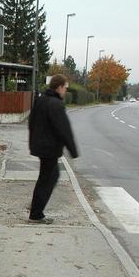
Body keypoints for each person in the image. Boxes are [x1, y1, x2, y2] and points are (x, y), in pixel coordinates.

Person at [28, 74, 79, 224]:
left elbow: (31, 122)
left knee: (49, 177)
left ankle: (36, 209)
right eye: (65, 88)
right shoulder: (56, 104)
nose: (65, 91)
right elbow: (64, 129)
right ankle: (36, 214)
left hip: (42, 146)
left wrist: (34, 142)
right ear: (59, 87)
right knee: (47, 179)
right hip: (49, 148)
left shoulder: (41, 100)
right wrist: (73, 150)